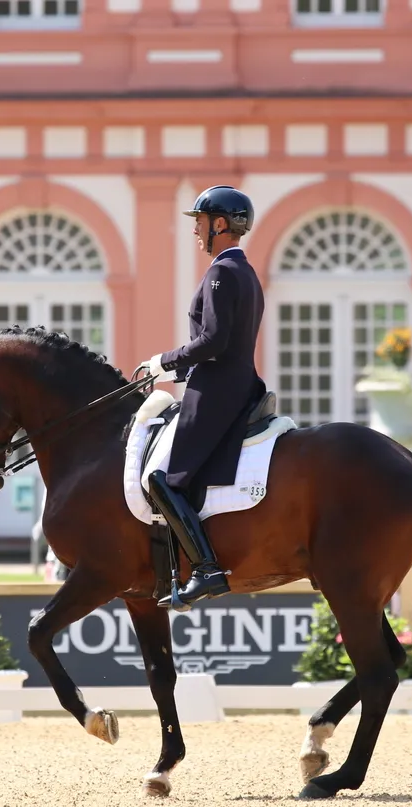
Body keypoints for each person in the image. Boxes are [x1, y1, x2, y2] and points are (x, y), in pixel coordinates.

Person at [138, 184, 267, 611]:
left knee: (159, 479)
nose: (196, 230)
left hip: (215, 390)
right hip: (237, 383)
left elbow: (212, 340)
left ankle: (207, 569)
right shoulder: (245, 272)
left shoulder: (220, 272)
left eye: (199, 222)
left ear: (219, 224)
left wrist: (165, 362)